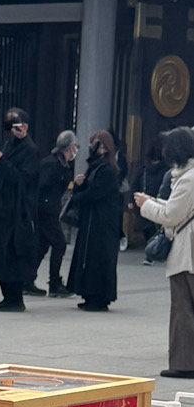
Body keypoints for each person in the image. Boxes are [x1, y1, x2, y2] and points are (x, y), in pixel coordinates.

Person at [134, 127, 194, 377]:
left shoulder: (189, 178)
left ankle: (183, 364)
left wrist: (147, 206)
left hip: (186, 253)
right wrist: (154, 202)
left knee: (183, 309)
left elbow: (172, 215)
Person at [0, 107, 38, 311]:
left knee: (12, 253)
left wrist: (1, 161)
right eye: (8, 126)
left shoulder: (29, 150)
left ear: (25, 127)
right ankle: (7, 297)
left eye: (15, 125)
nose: (11, 130)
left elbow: (22, 179)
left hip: (14, 210)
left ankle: (15, 298)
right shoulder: (9, 145)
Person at [66, 130, 121, 311]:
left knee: (99, 258)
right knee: (90, 258)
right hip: (94, 221)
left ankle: (98, 297)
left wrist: (77, 196)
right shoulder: (97, 167)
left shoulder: (106, 170)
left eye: (96, 144)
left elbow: (94, 193)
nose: (93, 148)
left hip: (102, 223)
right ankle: (90, 295)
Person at [26, 130, 78, 298]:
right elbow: (43, 187)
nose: (74, 152)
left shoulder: (61, 164)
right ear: (69, 148)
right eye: (73, 148)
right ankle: (54, 283)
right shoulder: (52, 164)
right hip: (45, 211)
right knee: (59, 244)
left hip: (49, 210)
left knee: (42, 245)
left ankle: (26, 280)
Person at [130, 143, 168, 261]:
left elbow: (134, 184)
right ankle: (155, 250)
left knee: (146, 227)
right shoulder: (166, 170)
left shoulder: (143, 168)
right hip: (158, 200)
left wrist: (131, 200)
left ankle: (152, 250)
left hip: (143, 199)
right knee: (155, 227)